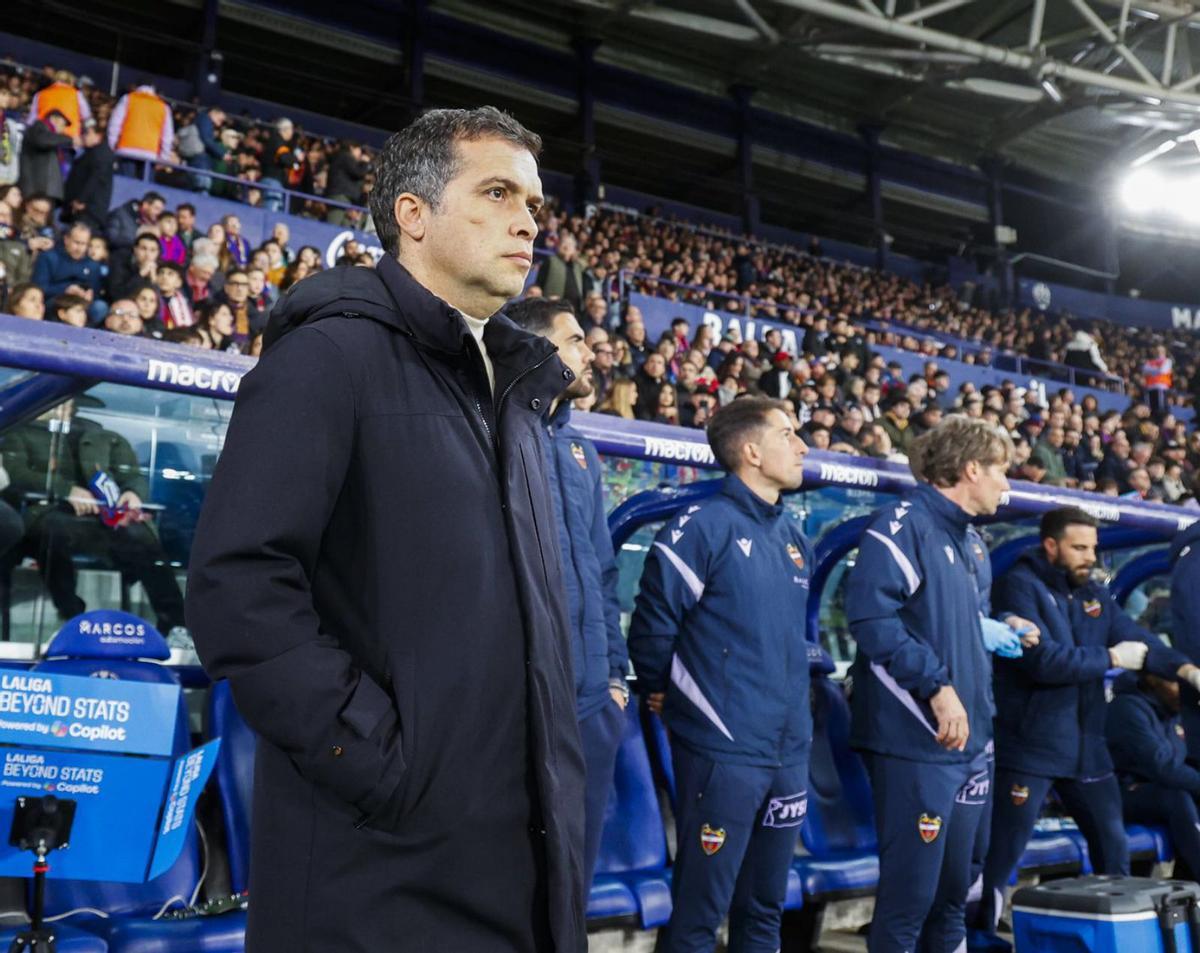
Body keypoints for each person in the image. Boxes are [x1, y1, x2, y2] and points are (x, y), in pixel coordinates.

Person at [185, 106, 585, 953]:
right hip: (373, 875)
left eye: (536, 204)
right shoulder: (326, 359)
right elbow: (239, 588)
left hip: (518, 864)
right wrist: (380, 762)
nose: (528, 220)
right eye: (499, 192)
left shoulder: (515, 396)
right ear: (414, 213)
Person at [629, 397, 814, 953]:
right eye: (788, 434)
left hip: (789, 749)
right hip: (723, 747)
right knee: (700, 912)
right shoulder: (701, 526)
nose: (803, 445)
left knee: (764, 908)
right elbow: (651, 628)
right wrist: (671, 693)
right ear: (752, 451)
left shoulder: (794, 536)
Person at [846, 416, 1032, 953]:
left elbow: (959, 626)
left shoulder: (973, 542)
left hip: (973, 743)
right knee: (911, 898)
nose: (1007, 484)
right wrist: (936, 687)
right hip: (917, 738)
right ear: (971, 469)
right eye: (1001, 471)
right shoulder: (901, 524)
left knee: (955, 895)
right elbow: (871, 618)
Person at [976, 507, 1200, 943]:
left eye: (1093, 548)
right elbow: (1042, 662)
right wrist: (1112, 659)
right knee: (1003, 853)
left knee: (1113, 847)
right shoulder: (1019, 587)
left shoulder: (1092, 593)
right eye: (1079, 548)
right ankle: (978, 931)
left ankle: (1119, 937)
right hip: (1032, 747)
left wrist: (1186, 669)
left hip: (1087, 746)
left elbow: (1142, 640)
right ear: (1051, 546)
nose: (1088, 557)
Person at [507, 296, 629, 896]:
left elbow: (603, 574)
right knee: (513, 882)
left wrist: (614, 681)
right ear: (536, 348)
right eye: (577, 339)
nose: (591, 353)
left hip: (590, 702)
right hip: (520, 707)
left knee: (573, 881)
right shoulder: (496, 431)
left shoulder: (583, 451)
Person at [0, 399, 186, 634]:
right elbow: (15, 473)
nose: (62, 407)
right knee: (52, 533)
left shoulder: (102, 435)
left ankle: (175, 620)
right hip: (52, 514)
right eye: (57, 402)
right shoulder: (20, 434)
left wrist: (132, 493)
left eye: (67, 402)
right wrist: (66, 491)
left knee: (142, 537)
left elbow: (132, 475)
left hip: (104, 519)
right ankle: (71, 616)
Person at [1106, 671, 1200, 880]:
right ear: (1153, 680)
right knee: (1177, 798)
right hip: (1118, 793)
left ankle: (1188, 891)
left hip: (1156, 789)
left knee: (1188, 795)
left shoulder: (1171, 712)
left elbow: (1181, 762)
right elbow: (1161, 767)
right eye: (1176, 684)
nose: (1182, 691)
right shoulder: (1127, 708)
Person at [107, 84, 173, 175]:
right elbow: (167, 136)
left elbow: (114, 124)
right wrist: (163, 158)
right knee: (145, 188)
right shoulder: (163, 107)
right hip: (150, 155)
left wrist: (111, 146)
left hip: (126, 151)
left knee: (124, 186)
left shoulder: (128, 99)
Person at [61, 120, 114, 233]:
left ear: (99, 136)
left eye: (87, 133)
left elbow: (95, 179)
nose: (84, 136)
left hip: (88, 211)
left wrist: (81, 200)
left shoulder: (102, 153)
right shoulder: (91, 152)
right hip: (80, 209)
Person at [17, 109, 75, 207]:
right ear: (54, 119)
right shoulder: (38, 127)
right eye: (63, 124)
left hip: (44, 191)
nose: (63, 129)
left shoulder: (52, 137)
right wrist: (70, 139)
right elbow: (42, 140)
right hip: (37, 190)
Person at [27, 71, 91, 138]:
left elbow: (31, 120)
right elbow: (87, 116)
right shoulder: (77, 95)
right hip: (68, 138)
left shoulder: (40, 94)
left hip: (43, 136)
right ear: (71, 82)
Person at [535, 232, 586, 311]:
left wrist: (576, 259)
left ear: (574, 249)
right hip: (553, 306)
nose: (566, 246)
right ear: (558, 245)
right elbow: (539, 282)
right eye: (564, 243)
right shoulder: (550, 260)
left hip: (575, 308)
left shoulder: (577, 265)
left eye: (570, 244)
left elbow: (586, 266)